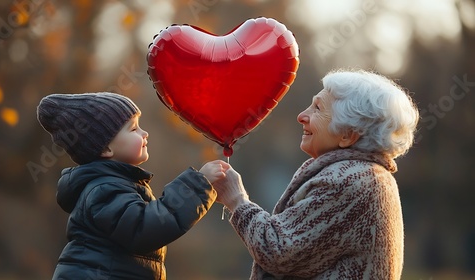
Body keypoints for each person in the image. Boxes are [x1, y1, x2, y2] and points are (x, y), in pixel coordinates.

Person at [213, 69, 419, 279]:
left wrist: (237, 200)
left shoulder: (350, 181)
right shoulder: (368, 176)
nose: (302, 116)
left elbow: (278, 251)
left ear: (348, 135)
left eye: (318, 108)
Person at [37, 92, 229, 280]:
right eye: (133, 129)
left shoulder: (117, 185)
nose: (144, 133)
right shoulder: (105, 189)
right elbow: (144, 228)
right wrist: (197, 185)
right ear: (105, 148)